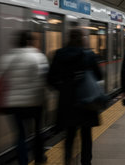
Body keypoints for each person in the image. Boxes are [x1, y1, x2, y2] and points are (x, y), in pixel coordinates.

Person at [48, 29, 103, 165]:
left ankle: (68, 160)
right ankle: (86, 162)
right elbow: (99, 75)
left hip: (67, 101)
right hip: (87, 101)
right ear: (82, 39)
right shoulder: (89, 55)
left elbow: (50, 78)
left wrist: (63, 89)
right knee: (86, 135)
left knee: (69, 134)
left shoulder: (59, 54)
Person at [0, 31, 48, 165]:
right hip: (34, 102)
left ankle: (23, 161)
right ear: (29, 42)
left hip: (13, 103)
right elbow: (44, 78)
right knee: (38, 130)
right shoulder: (38, 57)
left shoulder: (6, 58)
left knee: (20, 135)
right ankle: (39, 157)